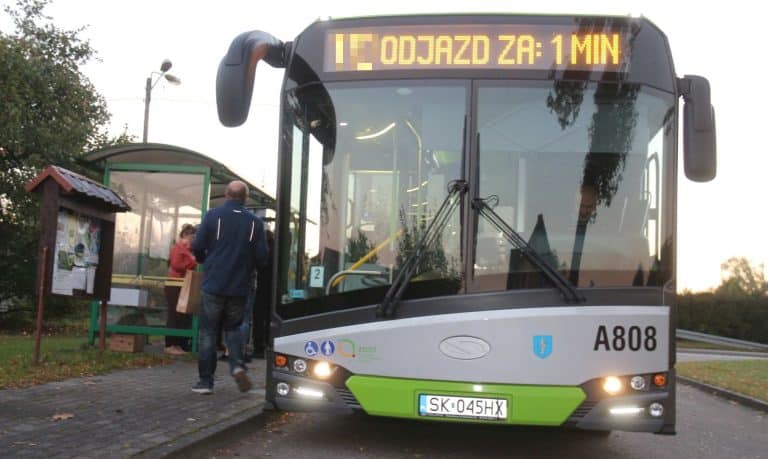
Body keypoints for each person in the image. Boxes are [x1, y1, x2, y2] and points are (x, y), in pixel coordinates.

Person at [190, 181, 268, 394]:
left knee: (208, 332)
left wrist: (205, 260)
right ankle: (236, 366)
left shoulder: (212, 216)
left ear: (226, 195)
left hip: (213, 283)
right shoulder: (254, 223)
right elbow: (262, 258)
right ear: (245, 198)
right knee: (233, 330)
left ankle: (205, 382)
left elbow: (196, 246)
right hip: (240, 287)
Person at [163, 223, 197, 356]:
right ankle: (170, 344)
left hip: (183, 283)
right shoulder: (178, 248)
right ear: (185, 235)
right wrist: (192, 263)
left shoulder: (188, 249)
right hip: (174, 284)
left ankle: (178, 343)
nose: (193, 239)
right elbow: (176, 265)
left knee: (182, 314)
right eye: (192, 236)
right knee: (174, 314)